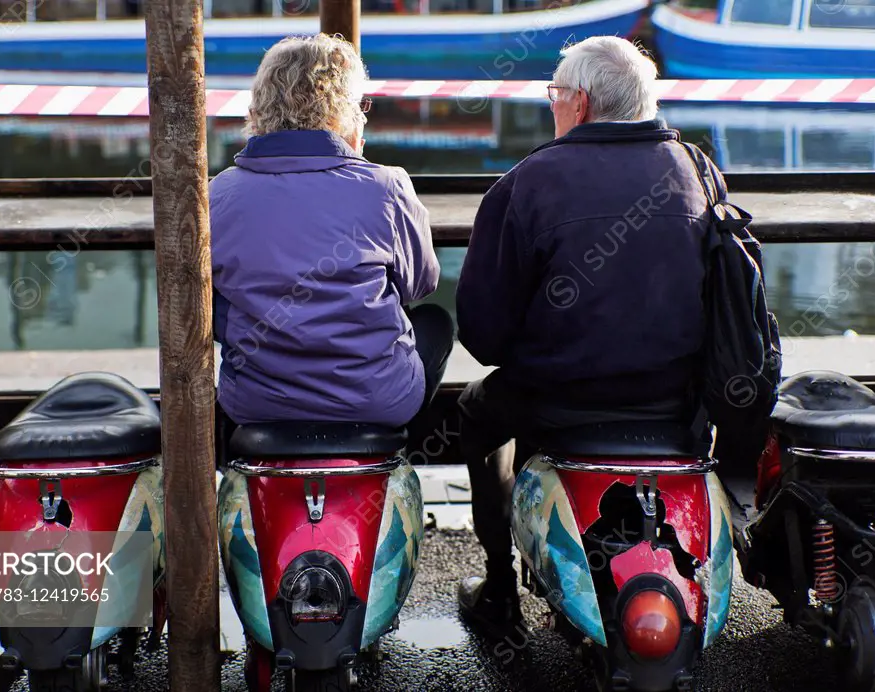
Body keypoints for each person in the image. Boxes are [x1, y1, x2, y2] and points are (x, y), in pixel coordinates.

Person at [454, 36, 724, 636]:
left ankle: (500, 589)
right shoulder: (696, 172)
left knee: (476, 412)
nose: (553, 106)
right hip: (675, 399)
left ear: (578, 102)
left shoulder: (529, 181)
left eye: (554, 94)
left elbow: (484, 337)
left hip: (560, 402)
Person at [210, 34, 453, 437]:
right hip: (377, 400)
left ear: (259, 110)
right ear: (345, 111)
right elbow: (419, 285)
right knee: (435, 322)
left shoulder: (219, 192)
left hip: (256, 403)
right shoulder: (386, 186)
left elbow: (211, 308)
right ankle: (391, 463)